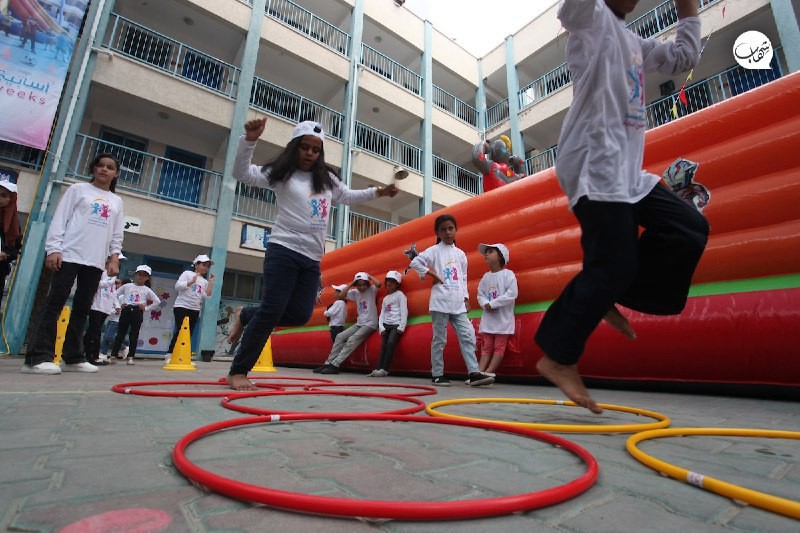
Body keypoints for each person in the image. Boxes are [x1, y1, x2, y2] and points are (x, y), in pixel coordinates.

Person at [534, 0, 709, 413]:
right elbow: (571, 10)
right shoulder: (590, 21)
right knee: (613, 265)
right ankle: (557, 357)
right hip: (593, 163)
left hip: (628, 173)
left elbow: (683, 57)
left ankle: (607, 289)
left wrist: (687, 8)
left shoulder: (635, 43)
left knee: (689, 228)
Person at [225, 118, 398, 390]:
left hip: (311, 258)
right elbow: (242, 173)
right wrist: (250, 140)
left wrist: (379, 191)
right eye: (304, 147)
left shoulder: (326, 179)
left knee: (299, 315)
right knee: (271, 311)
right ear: (295, 146)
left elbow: (348, 196)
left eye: (316, 149)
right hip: (283, 249)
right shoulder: (281, 173)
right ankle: (238, 371)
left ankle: (247, 314)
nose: (309, 153)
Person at [23, 154, 124, 375]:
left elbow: (117, 234)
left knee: (82, 308)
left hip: (95, 261)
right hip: (69, 255)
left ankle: (73, 357)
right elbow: (60, 219)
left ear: (115, 173)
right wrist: (54, 249)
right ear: (93, 168)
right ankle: (37, 358)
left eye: (109, 167)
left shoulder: (116, 201)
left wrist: (114, 258)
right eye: (100, 165)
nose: (104, 169)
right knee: (55, 303)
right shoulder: (78, 190)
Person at [408, 214, 494, 387]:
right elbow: (415, 262)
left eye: (450, 228)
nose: (447, 232)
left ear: (456, 230)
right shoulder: (434, 251)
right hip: (440, 301)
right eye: (443, 230)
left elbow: (463, 277)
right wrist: (431, 273)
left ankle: (473, 373)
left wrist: (466, 298)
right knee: (440, 339)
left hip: (458, 302)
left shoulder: (460, 254)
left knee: (467, 335)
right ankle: (437, 374)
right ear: (437, 233)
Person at [314, 272, 380, 375]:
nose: (361, 287)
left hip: (370, 323)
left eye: (364, 284)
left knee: (352, 340)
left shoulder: (371, 290)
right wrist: (352, 283)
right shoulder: (355, 293)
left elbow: (378, 284)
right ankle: (328, 362)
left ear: (367, 284)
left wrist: (369, 276)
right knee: (339, 337)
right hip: (360, 323)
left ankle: (335, 364)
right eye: (359, 285)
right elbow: (341, 295)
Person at [476, 243, 518, 377]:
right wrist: (485, 304)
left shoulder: (508, 275)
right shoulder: (485, 277)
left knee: (499, 346)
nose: (486, 254)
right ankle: (478, 373)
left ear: (500, 256)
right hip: (489, 319)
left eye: (490, 252)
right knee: (487, 345)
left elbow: (512, 293)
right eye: (486, 252)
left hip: (502, 319)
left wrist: (493, 304)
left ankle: (489, 373)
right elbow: (480, 294)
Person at [164, 254, 215, 363]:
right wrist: (191, 281)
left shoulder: (204, 281)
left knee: (188, 333)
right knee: (181, 330)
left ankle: (184, 357)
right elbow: (177, 286)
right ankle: (170, 355)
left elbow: (207, 295)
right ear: (196, 265)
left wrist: (210, 282)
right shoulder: (187, 274)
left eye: (208, 266)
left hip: (195, 309)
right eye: (204, 265)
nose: (206, 268)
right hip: (182, 306)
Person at [112, 265, 161, 365]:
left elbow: (157, 301)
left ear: (147, 278)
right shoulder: (127, 286)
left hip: (137, 311)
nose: (141, 277)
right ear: (135, 275)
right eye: (139, 274)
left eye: (144, 275)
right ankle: (113, 355)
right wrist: (118, 305)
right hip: (126, 309)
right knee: (120, 333)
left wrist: (146, 308)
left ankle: (130, 356)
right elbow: (114, 294)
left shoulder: (147, 290)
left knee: (134, 335)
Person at [84, 254, 126, 365]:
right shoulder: (101, 272)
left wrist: (116, 305)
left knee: (94, 331)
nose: (118, 263)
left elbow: (113, 292)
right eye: (118, 260)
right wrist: (111, 282)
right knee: (95, 331)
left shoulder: (113, 276)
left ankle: (86, 353)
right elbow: (95, 284)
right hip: (96, 306)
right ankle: (92, 356)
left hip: (105, 308)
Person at [367, 270, 408, 377]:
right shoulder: (385, 298)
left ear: (397, 284)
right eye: (388, 281)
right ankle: (378, 368)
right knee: (383, 347)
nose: (389, 283)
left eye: (392, 281)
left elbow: (404, 311)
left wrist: (401, 327)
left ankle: (384, 369)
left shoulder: (400, 295)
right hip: (386, 325)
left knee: (390, 343)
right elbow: (382, 314)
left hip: (396, 325)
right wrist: (381, 327)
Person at [0, 179, 22, 308]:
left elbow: (15, 249)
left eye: (4, 196)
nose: (0, 199)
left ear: (11, 199)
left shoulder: (13, 223)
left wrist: (5, 254)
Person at [100, 277, 129, 359]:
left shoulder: (122, 296)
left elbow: (118, 310)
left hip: (116, 320)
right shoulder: (116, 294)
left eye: (119, 284)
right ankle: (103, 353)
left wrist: (108, 311)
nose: (117, 285)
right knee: (106, 337)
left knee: (109, 336)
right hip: (111, 318)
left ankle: (123, 347)